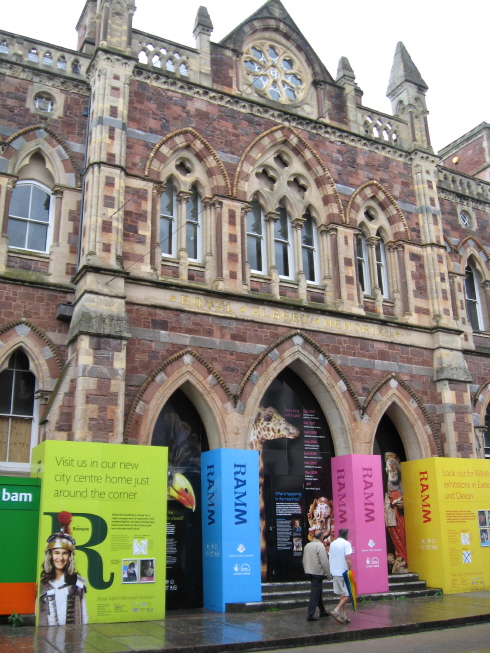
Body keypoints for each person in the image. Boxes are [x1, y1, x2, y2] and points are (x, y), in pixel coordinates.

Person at [38, 511, 88, 626]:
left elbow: (84, 615)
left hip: (71, 638)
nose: (60, 558)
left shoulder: (78, 584)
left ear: (69, 557)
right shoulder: (42, 585)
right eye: (56, 553)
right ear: (50, 555)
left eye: (64, 553)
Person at [384, 452, 408, 571]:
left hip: (400, 518)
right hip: (392, 518)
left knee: (403, 536)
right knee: (395, 537)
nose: (391, 474)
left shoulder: (403, 486)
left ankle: (403, 558)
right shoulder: (389, 486)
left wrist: (403, 505)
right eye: (389, 472)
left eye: (393, 472)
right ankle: (398, 557)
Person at [302, 529, 330, 621]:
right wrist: (328, 574)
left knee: (318, 591)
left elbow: (304, 559)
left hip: (309, 571)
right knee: (315, 592)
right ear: (322, 537)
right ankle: (310, 614)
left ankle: (322, 610)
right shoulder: (320, 546)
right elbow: (324, 561)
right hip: (317, 572)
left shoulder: (307, 545)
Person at [328, 528, 353, 624]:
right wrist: (350, 569)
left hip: (335, 571)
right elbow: (348, 558)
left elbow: (330, 556)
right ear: (346, 535)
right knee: (349, 593)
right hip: (343, 571)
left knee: (342, 593)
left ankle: (343, 615)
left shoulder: (333, 543)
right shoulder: (346, 544)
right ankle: (337, 610)